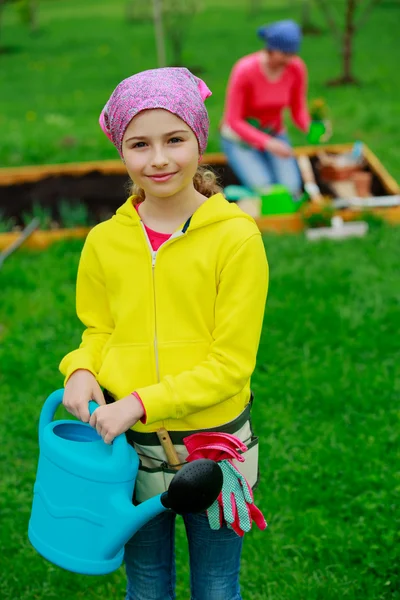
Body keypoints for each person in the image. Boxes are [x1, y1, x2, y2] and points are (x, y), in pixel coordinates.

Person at [59, 67, 268, 600]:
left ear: (199, 139)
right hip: (130, 452)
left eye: (174, 139)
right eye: (139, 144)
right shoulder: (105, 242)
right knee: (147, 583)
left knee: (217, 585)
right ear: (121, 151)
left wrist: (137, 401)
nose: (158, 159)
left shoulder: (236, 239)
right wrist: (81, 367)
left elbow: (230, 365)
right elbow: (100, 327)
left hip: (213, 452)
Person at [221, 19, 311, 198]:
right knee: (265, 189)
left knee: (291, 189)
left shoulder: (296, 68)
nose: (288, 59)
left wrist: (312, 128)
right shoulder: (244, 70)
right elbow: (234, 120)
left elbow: (298, 109)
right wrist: (268, 144)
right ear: (271, 48)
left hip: (275, 134)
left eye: (292, 53)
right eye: (284, 53)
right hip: (239, 139)